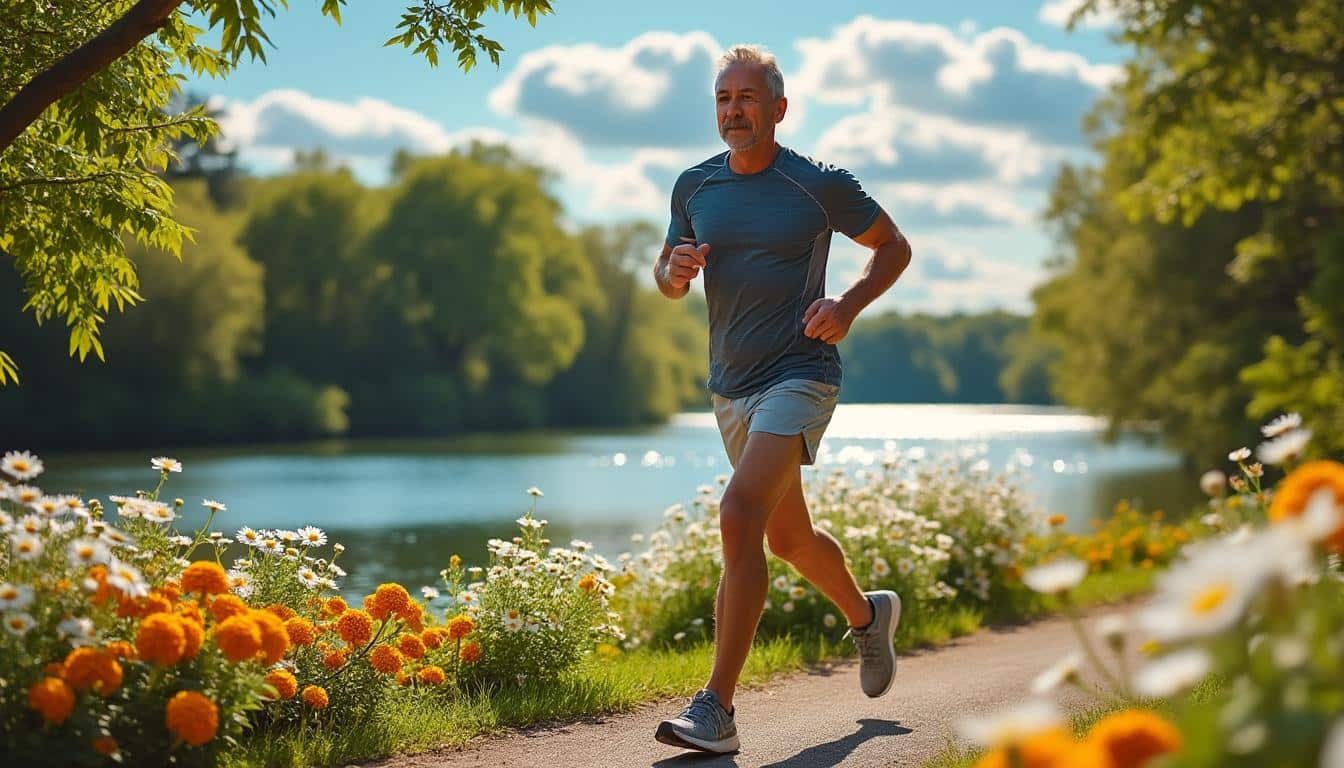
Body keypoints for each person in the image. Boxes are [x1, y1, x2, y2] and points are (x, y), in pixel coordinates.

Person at [650, 43, 914, 754]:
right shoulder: (694, 186)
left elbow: (893, 246)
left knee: (739, 515)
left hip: (802, 371)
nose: (733, 110)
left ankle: (717, 710)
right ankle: (868, 617)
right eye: (723, 98)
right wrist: (674, 272)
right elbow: (667, 274)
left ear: (779, 108)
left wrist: (849, 305)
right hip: (730, 385)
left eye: (747, 98)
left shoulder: (817, 184)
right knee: (786, 538)